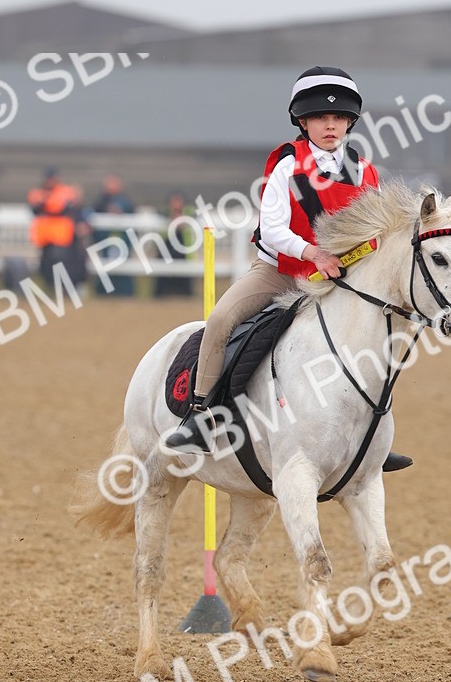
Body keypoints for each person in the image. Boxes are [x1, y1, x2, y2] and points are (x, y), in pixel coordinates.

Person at [165, 65, 411, 475]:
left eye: (338, 118)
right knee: (221, 319)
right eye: (320, 118)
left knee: (378, 335)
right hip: (281, 272)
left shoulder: (366, 172)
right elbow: (274, 228)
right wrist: (314, 253)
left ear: (349, 122)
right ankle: (200, 415)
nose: (330, 126)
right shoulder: (287, 165)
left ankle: (372, 438)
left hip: (341, 281)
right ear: (303, 122)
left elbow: (378, 231)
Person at [27, 168, 78, 288]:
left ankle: (62, 287)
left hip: (61, 235)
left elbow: (66, 208)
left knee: (61, 261)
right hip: (44, 236)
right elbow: (35, 209)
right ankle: (49, 286)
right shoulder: (38, 192)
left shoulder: (65, 191)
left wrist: (48, 204)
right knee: (46, 263)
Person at [92, 175, 135, 297]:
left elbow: (131, 217)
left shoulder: (126, 202)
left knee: (123, 275)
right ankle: (103, 293)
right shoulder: (101, 202)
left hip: (121, 244)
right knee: (105, 272)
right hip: (106, 244)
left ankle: (125, 294)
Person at [152, 192, 195, 298]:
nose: (176, 204)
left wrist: (182, 220)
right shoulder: (164, 212)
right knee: (162, 280)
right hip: (166, 250)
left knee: (184, 280)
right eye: (174, 202)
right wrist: (171, 220)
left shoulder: (189, 212)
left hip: (184, 250)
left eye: (178, 201)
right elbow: (159, 213)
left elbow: (195, 215)